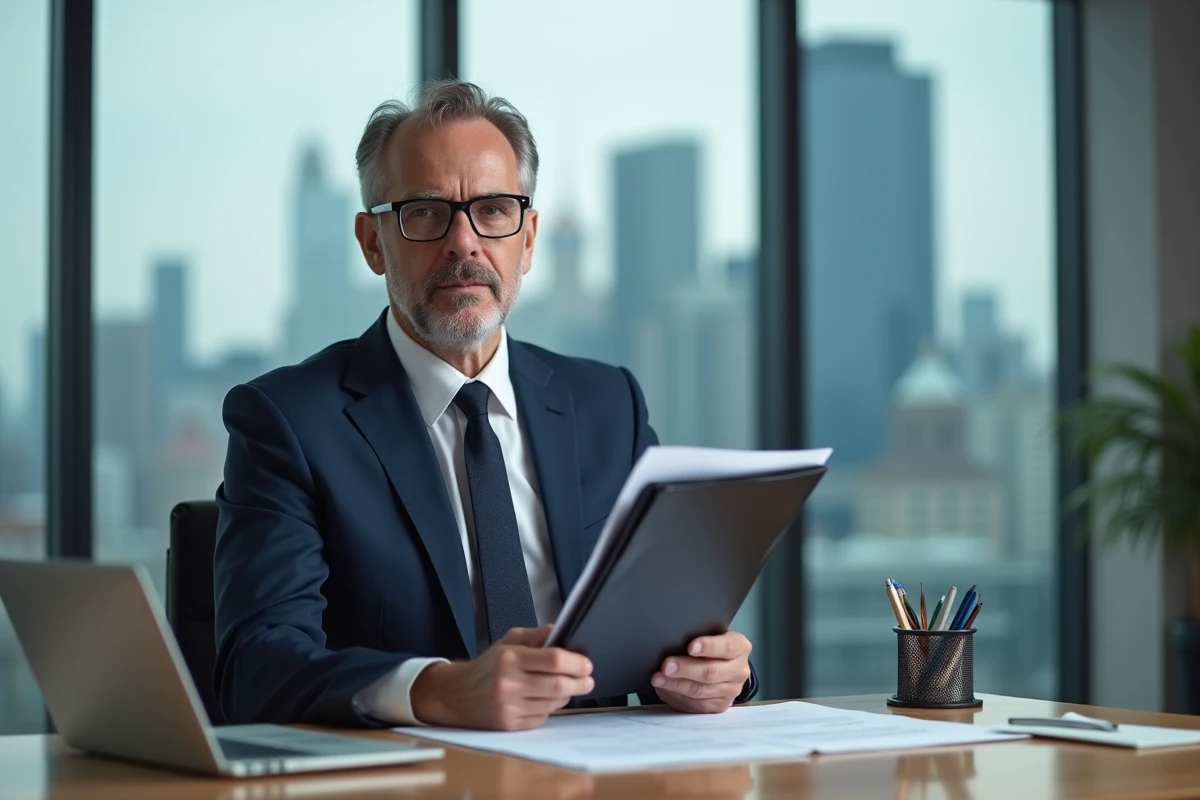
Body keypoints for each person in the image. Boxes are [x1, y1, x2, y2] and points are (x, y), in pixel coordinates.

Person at [213, 80, 756, 730]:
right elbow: (256, 665)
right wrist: (439, 690)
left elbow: (676, 625)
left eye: (494, 210)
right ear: (372, 242)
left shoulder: (609, 406)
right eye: (425, 212)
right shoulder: (289, 423)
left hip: (604, 769)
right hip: (415, 772)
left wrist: (714, 671)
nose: (464, 242)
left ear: (529, 239)